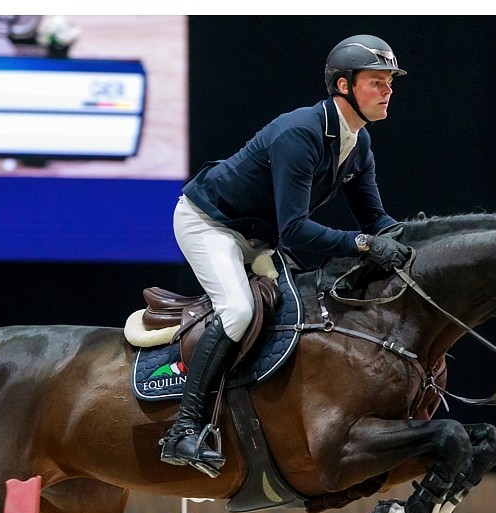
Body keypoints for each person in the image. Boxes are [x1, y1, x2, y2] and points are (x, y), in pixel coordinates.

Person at [160, 33, 415, 477]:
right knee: (238, 311)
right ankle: (184, 430)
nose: (388, 89)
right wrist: (364, 245)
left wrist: (419, 245)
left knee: (306, 309)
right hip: (211, 223)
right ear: (343, 86)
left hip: (259, 236)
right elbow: (297, 231)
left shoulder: (359, 145)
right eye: (377, 81)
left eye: (390, 81)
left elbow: (377, 220)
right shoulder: (301, 134)